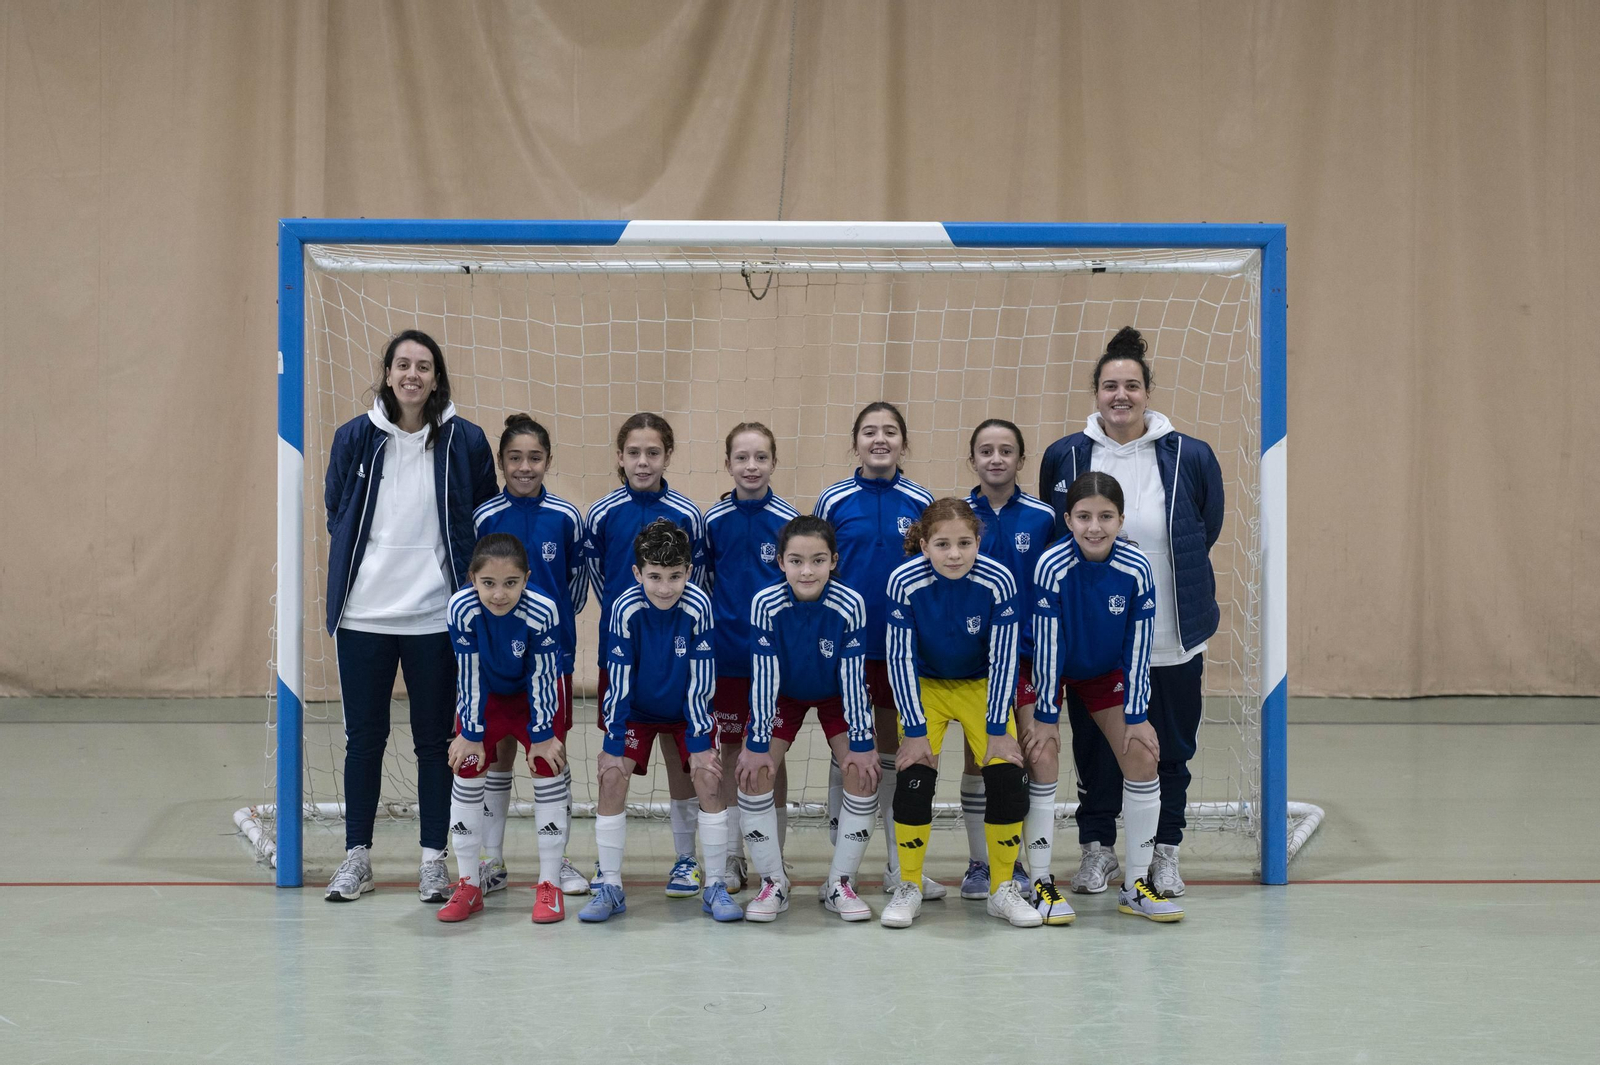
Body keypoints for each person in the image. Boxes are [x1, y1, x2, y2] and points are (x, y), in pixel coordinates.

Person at [1038, 326, 1224, 898]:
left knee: (1165, 745)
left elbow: (1204, 528)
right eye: (1110, 386)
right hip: (1094, 640)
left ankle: (1163, 850)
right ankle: (1097, 849)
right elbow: (1056, 530)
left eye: (1132, 386)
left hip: (1168, 634)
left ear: (1148, 392)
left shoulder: (1189, 454)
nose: (1121, 395)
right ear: (1095, 393)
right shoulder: (1066, 454)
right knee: (1096, 749)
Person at [321, 329, 497, 904]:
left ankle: (431, 861)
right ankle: (357, 857)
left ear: (437, 378)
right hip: (364, 615)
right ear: (388, 373)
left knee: (432, 743)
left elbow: (481, 516)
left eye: (424, 366)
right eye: (403, 365)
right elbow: (336, 513)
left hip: (435, 618)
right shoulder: (355, 437)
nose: (412, 375)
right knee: (363, 739)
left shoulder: (466, 441)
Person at [1029, 472, 1183, 922]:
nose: (1094, 527)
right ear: (1068, 520)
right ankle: (1041, 882)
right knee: (1041, 755)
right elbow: (1048, 645)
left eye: (1105, 516)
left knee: (1142, 753)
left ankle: (1136, 885)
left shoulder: (1136, 568)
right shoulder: (1051, 566)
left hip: (1103, 673)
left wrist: (1136, 716)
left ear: (1120, 520)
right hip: (1051, 669)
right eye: (1083, 517)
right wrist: (1044, 716)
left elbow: (1139, 647)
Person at [879, 498, 1039, 930]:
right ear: (925, 544)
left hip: (979, 684)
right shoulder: (903, 581)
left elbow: (1004, 657)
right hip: (926, 686)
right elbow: (900, 659)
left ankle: (1001, 888)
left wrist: (997, 729)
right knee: (914, 774)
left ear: (978, 542)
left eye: (964, 543)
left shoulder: (999, 580)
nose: (954, 554)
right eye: (943, 544)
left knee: (1006, 772)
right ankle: (908, 885)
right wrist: (913, 731)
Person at [813, 402, 946, 900]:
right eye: (869, 432)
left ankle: (897, 869)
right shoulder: (833, 499)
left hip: (899, 652)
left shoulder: (920, 500)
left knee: (892, 754)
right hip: (846, 650)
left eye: (890, 431)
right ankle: (840, 867)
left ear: (904, 443)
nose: (880, 439)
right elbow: (816, 570)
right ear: (856, 443)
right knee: (849, 751)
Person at [579, 520, 740, 924]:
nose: (665, 587)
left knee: (708, 776)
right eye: (654, 576)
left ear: (689, 571)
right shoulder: (624, 608)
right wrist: (614, 745)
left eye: (674, 576)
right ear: (637, 574)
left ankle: (715, 884)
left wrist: (701, 741)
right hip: (638, 712)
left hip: (686, 710)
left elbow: (703, 678)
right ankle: (611, 884)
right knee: (612, 776)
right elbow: (618, 680)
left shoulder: (699, 605)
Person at [584, 413, 708, 898]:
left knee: (683, 762)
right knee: (618, 757)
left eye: (652, 452)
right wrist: (625, 611)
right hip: (624, 650)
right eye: (633, 452)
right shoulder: (601, 513)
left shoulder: (688, 514)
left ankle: (684, 860)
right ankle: (606, 861)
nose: (642, 461)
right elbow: (595, 578)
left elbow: (696, 581)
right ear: (619, 457)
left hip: (677, 651)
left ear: (667, 456)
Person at [735, 516, 881, 923]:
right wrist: (757, 742)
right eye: (796, 561)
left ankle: (840, 883)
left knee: (861, 769)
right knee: (754, 771)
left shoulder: (850, 604)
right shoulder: (765, 604)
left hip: (836, 694)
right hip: (785, 695)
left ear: (833, 561)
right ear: (780, 562)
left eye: (817, 560)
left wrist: (864, 742)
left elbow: (853, 678)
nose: (806, 570)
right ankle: (773, 882)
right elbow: (764, 676)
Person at [470, 414, 590, 900]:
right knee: (496, 753)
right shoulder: (484, 517)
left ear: (548, 461)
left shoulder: (565, 517)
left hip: (550, 661)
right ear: (501, 462)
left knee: (550, 756)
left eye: (534, 458)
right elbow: (475, 584)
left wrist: (551, 630)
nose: (525, 467)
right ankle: (490, 860)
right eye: (515, 458)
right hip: (496, 660)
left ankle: (555, 861)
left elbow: (576, 587)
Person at [955, 418, 1059, 901]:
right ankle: (982, 864)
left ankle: (1034, 867)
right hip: (974, 662)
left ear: (1021, 458)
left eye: (1006, 450)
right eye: (986, 450)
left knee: (1038, 755)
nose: (996, 459)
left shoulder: (1042, 517)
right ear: (972, 459)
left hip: (1029, 658)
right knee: (983, 760)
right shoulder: (956, 517)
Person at [435, 534, 564, 923]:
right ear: (473, 578)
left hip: (530, 700)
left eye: (510, 583)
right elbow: (470, 674)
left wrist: (542, 736)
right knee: (468, 763)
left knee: (548, 767)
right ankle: (469, 884)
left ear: (526, 578)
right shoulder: (460, 608)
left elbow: (543, 677)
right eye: (488, 583)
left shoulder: (543, 610)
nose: (499, 594)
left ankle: (549, 884)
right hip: (486, 699)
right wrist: (470, 732)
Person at [702, 423, 799, 893]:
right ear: (728, 465)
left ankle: (771, 859)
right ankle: (736, 857)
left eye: (761, 457)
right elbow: (700, 586)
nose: (751, 467)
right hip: (725, 659)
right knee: (728, 752)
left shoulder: (787, 520)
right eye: (742, 458)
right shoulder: (711, 522)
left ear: (774, 462)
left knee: (767, 759)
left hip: (772, 663)